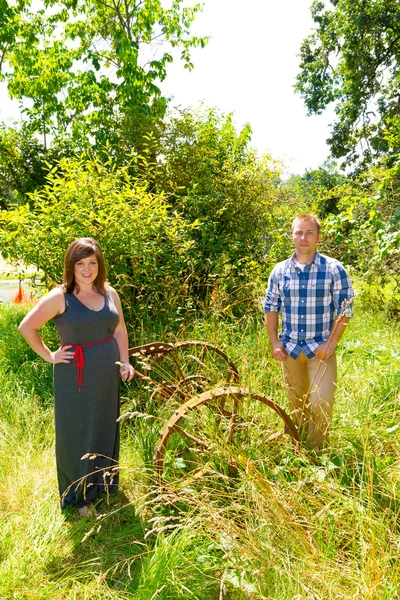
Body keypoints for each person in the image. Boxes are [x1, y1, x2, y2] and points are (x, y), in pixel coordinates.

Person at [18, 238, 135, 516]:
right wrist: (49, 355)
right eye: (80, 263)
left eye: (92, 262)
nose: (87, 268)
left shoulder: (109, 293)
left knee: (105, 425)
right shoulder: (60, 296)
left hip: (107, 374)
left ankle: (103, 485)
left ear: (100, 265)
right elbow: (26, 327)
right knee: (77, 432)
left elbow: (119, 330)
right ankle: (79, 496)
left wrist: (125, 361)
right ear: (71, 266)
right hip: (76, 377)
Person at [264, 214, 354, 450]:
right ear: (292, 236)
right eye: (299, 233)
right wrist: (274, 342)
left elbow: (345, 308)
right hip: (290, 349)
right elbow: (271, 308)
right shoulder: (280, 271)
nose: (304, 237)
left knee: (321, 402)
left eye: (309, 232)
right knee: (297, 403)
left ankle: (318, 453)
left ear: (318, 237)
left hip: (320, 349)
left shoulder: (334, 269)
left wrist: (332, 343)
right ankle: (298, 447)